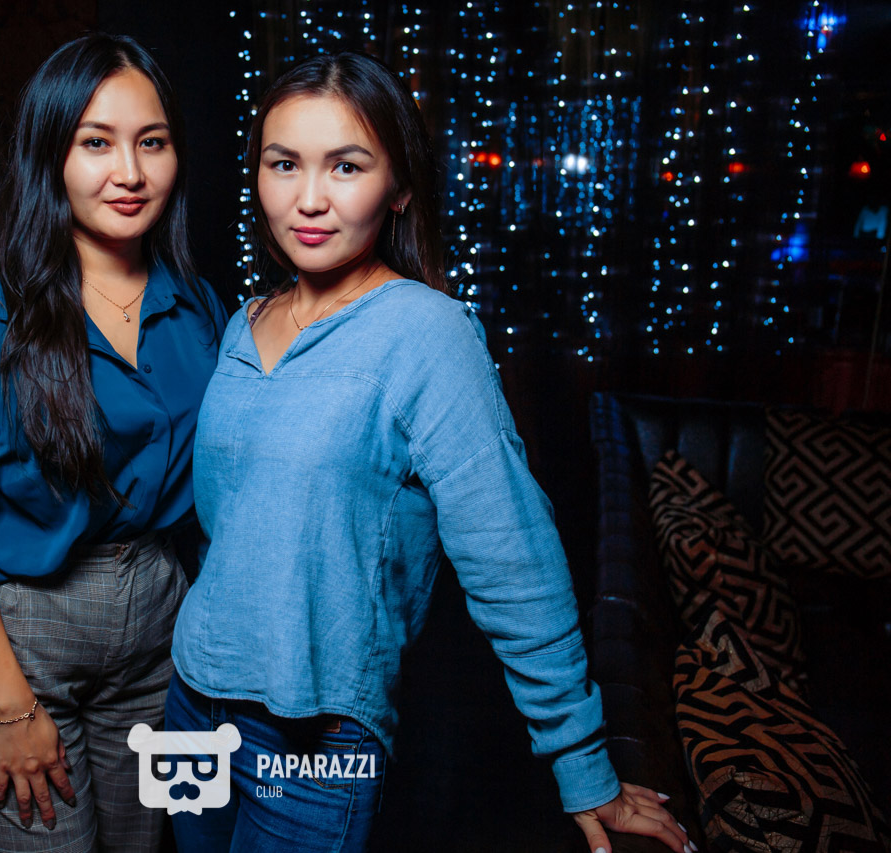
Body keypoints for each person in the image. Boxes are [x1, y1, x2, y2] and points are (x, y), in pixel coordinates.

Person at [165, 52, 695, 853]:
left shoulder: (427, 332)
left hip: (315, 737)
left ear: (400, 187)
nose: (309, 198)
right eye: (285, 164)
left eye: (347, 166)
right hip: (191, 706)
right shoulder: (244, 322)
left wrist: (582, 761)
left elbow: (513, 557)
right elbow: (227, 528)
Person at [0, 33, 225, 853]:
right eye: (96, 143)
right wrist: (10, 707)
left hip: (159, 625)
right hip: (21, 630)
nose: (130, 172)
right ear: (49, 155)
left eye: (152, 142)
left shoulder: (199, 307)